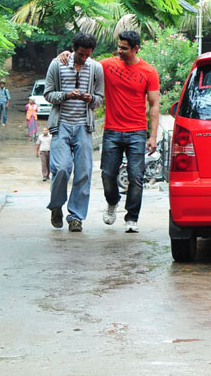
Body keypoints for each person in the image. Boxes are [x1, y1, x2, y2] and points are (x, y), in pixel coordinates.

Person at [57, 30, 160, 232]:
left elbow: (154, 105)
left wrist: (153, 136)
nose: (119, 51)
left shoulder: (149, 72)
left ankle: (132, 218)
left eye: (124, 48)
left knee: (136, 176)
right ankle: (112, 202)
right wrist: (67, 54)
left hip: (137, 131)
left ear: (136, 49)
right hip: (112, 130)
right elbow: (84, 61)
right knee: (107, 174)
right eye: (119, 47)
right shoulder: (107, 65)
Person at [44, 33, 105, 233]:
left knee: (84, 172)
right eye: (81, 54)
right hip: (61, 124)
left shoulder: (96, 68)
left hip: (83, 126)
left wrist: (91, 99)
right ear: (73, 49)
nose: (84, 58)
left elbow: (100, 98)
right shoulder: (57, 64)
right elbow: (48, 94)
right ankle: (56, 206)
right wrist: (66, 95)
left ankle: (76, 217)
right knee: (61, 168)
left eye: (88, 54)